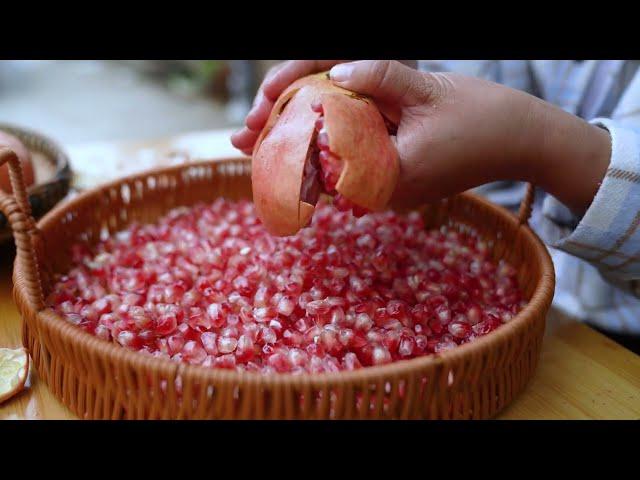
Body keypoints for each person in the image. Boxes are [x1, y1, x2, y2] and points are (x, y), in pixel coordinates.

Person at [231, 60, 640, 345]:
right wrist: (396, 76)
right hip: (526, 297)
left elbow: (507, 121)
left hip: (618, 335)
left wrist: (536, 141)